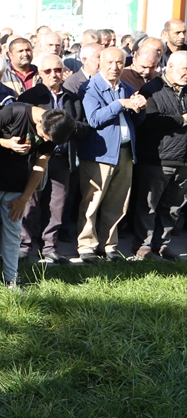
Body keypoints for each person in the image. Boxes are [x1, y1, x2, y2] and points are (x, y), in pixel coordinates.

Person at [0, 97, 76, 296]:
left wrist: (24, 198)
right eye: (44, 136)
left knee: (14, 233)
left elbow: (40, 166)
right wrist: (6, 143)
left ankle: (11, 278)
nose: (45, 141)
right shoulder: (13, 113)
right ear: (39, 121)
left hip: (17, 184)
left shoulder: (54, 131)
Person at [77, 46, 146, 262]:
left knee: (118, 203)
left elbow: (136, 121)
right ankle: (86, 246)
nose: (115, 67)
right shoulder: (90, 88)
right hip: (99, 154)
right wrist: (120, 104)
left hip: (125, 152)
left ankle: (109, 246)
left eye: (119, 63)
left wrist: (140, 107)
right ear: (100, 62)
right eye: (110, 62)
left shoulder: (126, 87)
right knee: (92, 202)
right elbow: (94, 119)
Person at [16, 54, 85, 265]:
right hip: (37, 158)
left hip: (62, 159)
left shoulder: (72, 98)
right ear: (40, 73)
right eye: (48, 71)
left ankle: (49, 247)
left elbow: (84, 126)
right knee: (31, 203)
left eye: (58, 70)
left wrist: (67, 126)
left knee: (57, 204)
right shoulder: (30, 96)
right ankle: (24, 246)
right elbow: (23, 126)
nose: (53, 74)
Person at [131, 50, 187, 261]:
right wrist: (181, 119)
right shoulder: (151, 89)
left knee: (173, 208)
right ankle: (143, 246)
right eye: (185, 69)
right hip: (157, 159)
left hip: (183, 160)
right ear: (170, 66)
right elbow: (148, 121)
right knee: (148, 206)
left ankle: (161, 245)